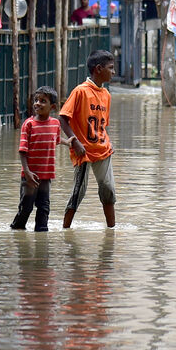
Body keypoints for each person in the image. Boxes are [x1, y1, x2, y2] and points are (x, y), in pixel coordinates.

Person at [59, 50, 117, 228]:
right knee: (78, 193)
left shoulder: (106, 94)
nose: (113, 72)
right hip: (83, 152)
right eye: (111, 68)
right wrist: (75, 141)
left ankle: (111, 231)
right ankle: (65, 230)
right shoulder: (80, 91)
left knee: (108, 190)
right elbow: (63, 118)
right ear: (98, 69)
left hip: (103, 150)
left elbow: (103, 124)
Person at [10, 86, 62, 232]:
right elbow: (22, 150)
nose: (37, 103)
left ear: (52, 107)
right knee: (26, 207)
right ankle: (17, 229)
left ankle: (42, 234)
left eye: (43, 101)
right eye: (36, 100)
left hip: (46, 175)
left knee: (44, 207)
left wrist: (70, 142)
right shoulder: (29, 124)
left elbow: (56, 140)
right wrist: (26, 172)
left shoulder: (55, 124)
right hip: (30, 175)